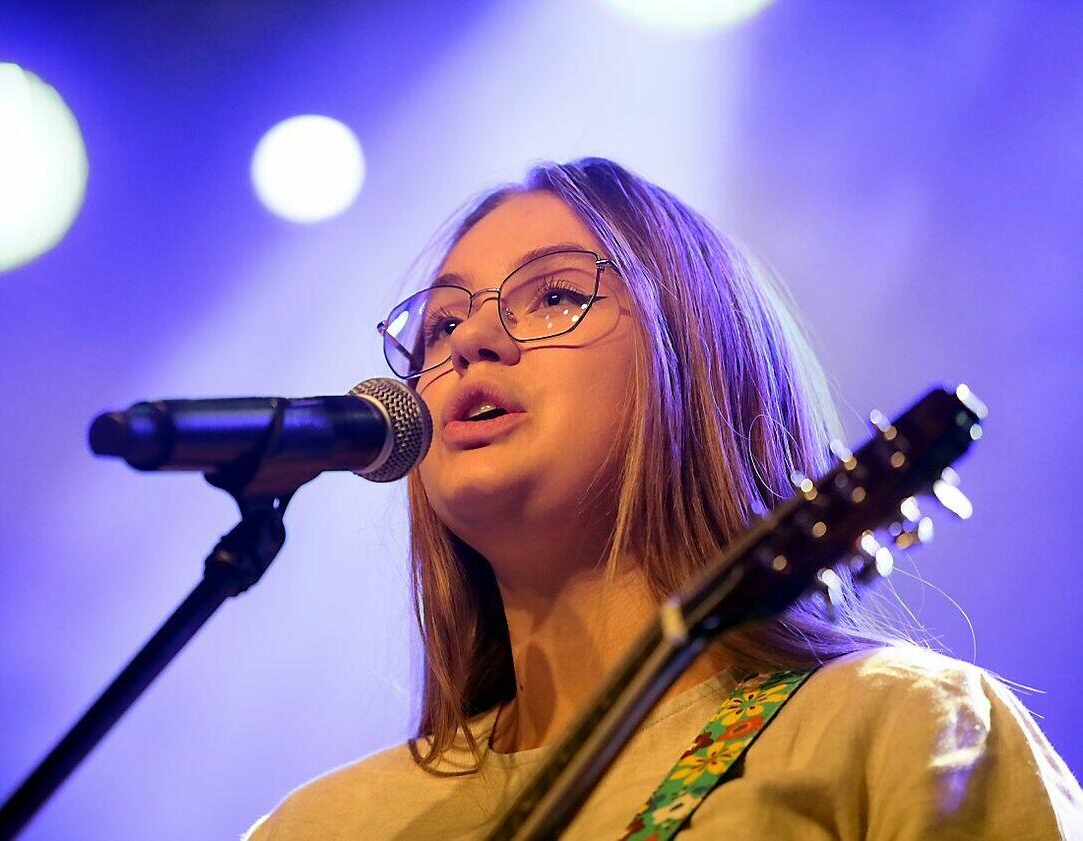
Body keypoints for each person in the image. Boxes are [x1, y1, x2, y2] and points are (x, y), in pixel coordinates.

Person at [245, 158, 1082, 839]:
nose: (470, 340)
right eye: (439, 326)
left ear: (698, 360)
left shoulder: (895, 727)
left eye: (555, 294)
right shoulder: (320, 825)